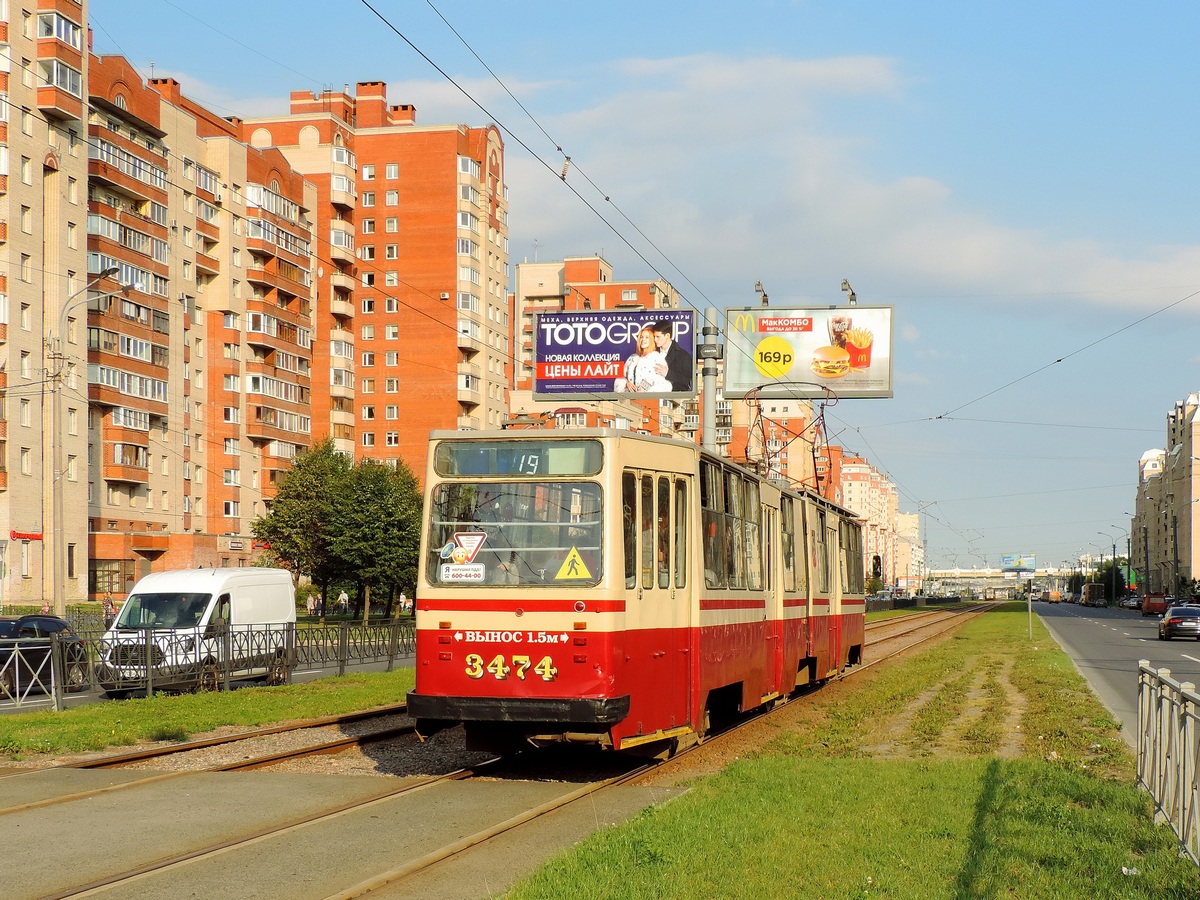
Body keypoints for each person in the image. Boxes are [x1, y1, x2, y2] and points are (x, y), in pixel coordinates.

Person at [615, 327, 671, 393]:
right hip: (630, 396)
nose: (643, 340)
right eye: (641, 337)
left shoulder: (657, 357)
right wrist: (626, 383)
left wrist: (644, 389)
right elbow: (621, 376)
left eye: (647, 337)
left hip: (648, 396)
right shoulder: (632, 358)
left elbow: (659, 379)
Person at [651, 320, 693, 392]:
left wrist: (668, 374)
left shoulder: (683, 356)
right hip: (652, 396)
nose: (655, 340)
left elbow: (689, 382)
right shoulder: (652, 353)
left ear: (667, 335)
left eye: (658, 337)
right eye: (654, 336)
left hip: (674, 397)